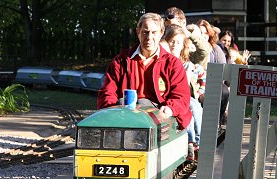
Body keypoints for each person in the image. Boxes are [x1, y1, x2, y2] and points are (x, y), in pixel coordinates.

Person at [97, 12, 192, 131]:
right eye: (145, 32)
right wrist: (110, 110)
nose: (149, 37)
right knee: (123, 102)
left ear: (161, 33)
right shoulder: (121, 61)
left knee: (143, 102)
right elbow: (108, 92)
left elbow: (181, 96)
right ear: (138, 32)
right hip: (126, 114)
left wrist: (169, 109)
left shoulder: (173, 63)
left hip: (159, 115)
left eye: (154, 32)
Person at [164, 24, 206, 160]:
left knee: (195, 108)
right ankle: (190, 141)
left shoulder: (187, 64)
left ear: (183, 45)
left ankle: (198, 142)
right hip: (168, 97)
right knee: (187, 112)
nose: (174, 45)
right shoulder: (161, 60)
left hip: (184, 96)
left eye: (178, 42)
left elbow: (202, 76)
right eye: (171, 41)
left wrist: (200, 91)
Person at [197, 19, 229, 124]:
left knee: (224, 91)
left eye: (205, 33)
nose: (203, 35)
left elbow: (223, 71)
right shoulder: (190, 48)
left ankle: (217, 122)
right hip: (196, 83)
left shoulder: (215, 49)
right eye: (200, 33)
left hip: (213, 82)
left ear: (210, 34)